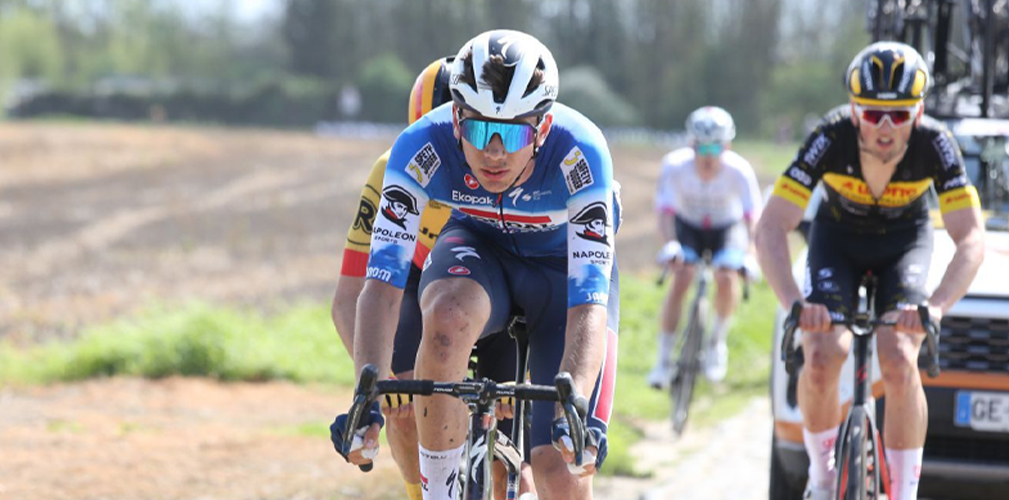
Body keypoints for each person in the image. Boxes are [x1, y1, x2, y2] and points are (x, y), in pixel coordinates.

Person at [330, 29, 621, 500]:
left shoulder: (580, 153)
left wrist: (575, 401)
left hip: (562, 271)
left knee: (558, 470)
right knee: (444, 316)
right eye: (480, 129)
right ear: (456, 117)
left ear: (542, 129)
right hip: (478, 248)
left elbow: (588, 303)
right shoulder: (420, 148)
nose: (494, 153)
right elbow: (381, 286)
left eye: (511, 133)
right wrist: (367, 396)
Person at [756, 41, 985, 500]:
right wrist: (795, 306)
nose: (885, 127)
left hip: (905, 244)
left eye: (899, 115)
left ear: (918, 114)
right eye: (872, 113)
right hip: (837, 241)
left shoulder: (935, 143)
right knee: (820, 356)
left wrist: (936, 308)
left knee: (901, 357)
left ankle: (904, 492)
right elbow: (770, 228)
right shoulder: (830, 135)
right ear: (853, 109)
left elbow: (972, 237)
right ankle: (821, 481)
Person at [330, 56, 533, 500]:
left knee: (509, 451)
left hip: (495, 285)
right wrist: (377, 380)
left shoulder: (511, 171)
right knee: (404, 405)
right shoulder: (392, 172)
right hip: (414, 281)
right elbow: (350, 296)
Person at [649, 106, 762, 388]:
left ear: (728, 145)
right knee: (682, 276)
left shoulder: (740, 170)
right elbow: (664, 212)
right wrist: (670, 244)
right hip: (688, 227)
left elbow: (753, 219)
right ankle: (663, 359)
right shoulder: (674, 165)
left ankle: (716, 343)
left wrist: (750, 256)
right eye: (703, 148)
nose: (709, 156)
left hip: (727, 228)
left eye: (716, 148)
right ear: (692, 144)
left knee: (726, 276)